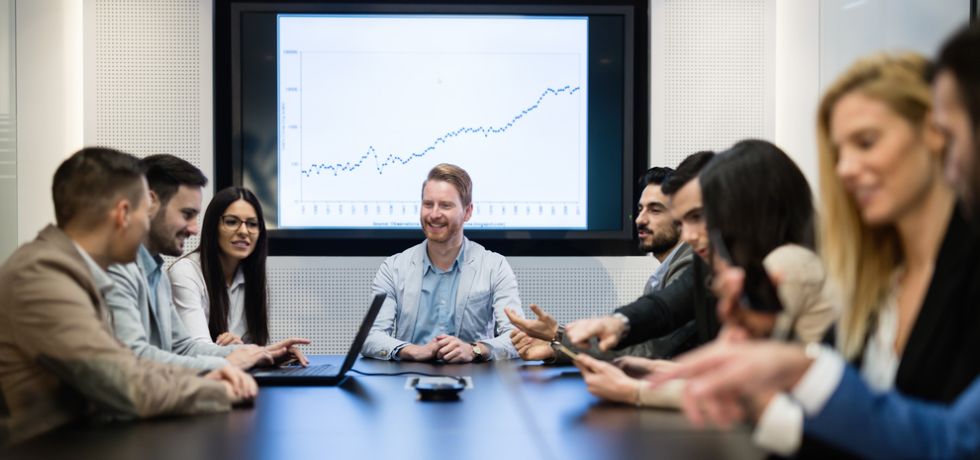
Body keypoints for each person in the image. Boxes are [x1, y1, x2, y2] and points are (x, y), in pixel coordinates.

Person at [647, 24, 980, 460]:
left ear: (935, 134)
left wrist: (796, 373)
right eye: (839, 153)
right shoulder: (873, 281)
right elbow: (854, 429)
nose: (845, 169)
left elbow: (941, 443)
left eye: (866, 142)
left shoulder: (964, 274)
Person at [0, 148, 256, 446]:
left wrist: (202, 378)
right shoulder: (42, 275)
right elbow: (120, 379)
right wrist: (217, 390)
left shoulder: (74, 268)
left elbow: (124, 365)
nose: (146, 224)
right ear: (123, 214)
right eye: (142, 212)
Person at [572, 140, 836, 408]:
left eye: (700, 216)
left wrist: (635, 390)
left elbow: (744, 387)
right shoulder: (731, 265)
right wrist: (660, 367)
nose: (688, 235)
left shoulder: (787, 263)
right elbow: (667, 307)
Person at [505, 151, 719, 360]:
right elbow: (654, 314)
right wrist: (559, 340)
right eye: (640, 209)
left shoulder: (695, 265)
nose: (639, 220)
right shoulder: (687, 270)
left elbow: (649, 350)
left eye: (655, 210)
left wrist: (558, 338)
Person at [106, 155, 308, 371]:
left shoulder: (155, 273)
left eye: (252, 224)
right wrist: (227, 363)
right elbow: (138, 358)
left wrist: (262, 354)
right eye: (187, 214)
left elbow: (183, 347)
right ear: (150, 202)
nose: (194, 228)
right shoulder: (119, 270)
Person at [361, 163, 522, 362]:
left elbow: (516, 338)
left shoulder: (494, 266)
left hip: (476, 383)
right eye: (428, 204)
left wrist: (475, 350)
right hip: (407, 380)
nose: (434, 214)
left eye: (445, 205)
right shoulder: (393, 268)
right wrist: (412, 350)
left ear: (468, 212)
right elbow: (370, 337)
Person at [170, 186, 270, 345]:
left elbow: (253, 346)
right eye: (231, 222)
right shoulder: (185, 272)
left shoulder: (251, 275)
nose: (244, 231)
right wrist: (238, 350)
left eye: (252, 224)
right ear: (213, 227)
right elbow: (197, 350)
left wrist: (274, 355)